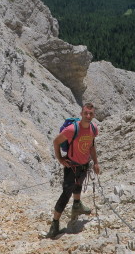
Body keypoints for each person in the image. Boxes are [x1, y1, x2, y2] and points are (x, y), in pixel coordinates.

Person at [47, 102, 100, 239]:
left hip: (84, 164)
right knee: (66, 194)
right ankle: (54, 224)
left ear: (94, 115)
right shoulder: (72, 129)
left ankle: (77, 205)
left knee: (79, 184)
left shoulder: (93, 128)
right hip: (72, 166)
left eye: (91, 114)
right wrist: (60, 159)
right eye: (86, 113)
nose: (88, 116)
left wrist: (96, 162)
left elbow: (91, 146)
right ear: (81, 114)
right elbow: (56, 141)